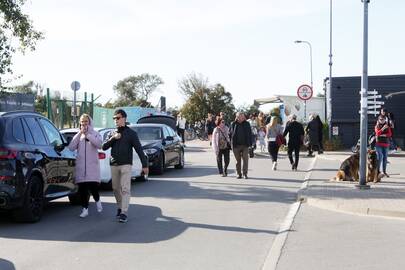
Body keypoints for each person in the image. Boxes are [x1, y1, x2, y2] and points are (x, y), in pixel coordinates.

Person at [102, 109, 149, 223]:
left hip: (126, 165)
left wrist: (145, 165)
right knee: (115, 188)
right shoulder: (111, 133)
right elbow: (104, 147)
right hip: (114, 164)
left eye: (117, 118)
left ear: (124, 118)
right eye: (114, 119)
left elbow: (139, 149)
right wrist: (113, 138)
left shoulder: (131, 134)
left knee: (125, 188)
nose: (115, 120)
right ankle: (119, 206)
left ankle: (124, 212)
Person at [68, 114, 103, 218]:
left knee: (93, 188)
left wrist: (88, 135)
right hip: (81, 168)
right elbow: (71, 147)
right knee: (82, 189)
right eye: (82, 122)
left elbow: (99, 144)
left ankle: (98, 201)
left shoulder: (95, 133)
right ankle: (85, 209)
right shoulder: (79, 135)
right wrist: (80, 134)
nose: (84, 124)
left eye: (86, 122)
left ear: (90, 123)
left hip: (92, 167)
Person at [230, 112, 252, 179]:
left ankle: (245, 174)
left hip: (245, 145)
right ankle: (239, 174)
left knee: (245, 160)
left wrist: (250, 144)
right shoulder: (233, 124)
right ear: (237, 117)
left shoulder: (247, 124)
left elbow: (250, 134)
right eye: (240, 117)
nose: (241, 118)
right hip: (236, 145)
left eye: (242, 116)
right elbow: (230, 133)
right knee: (238, 161)